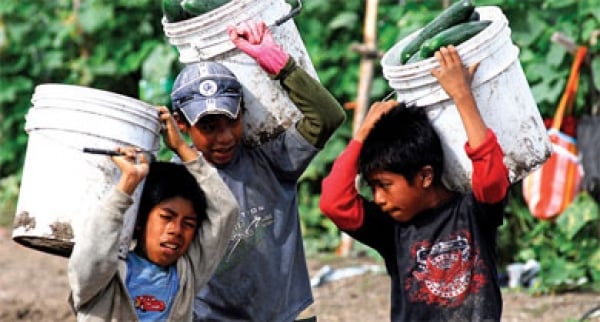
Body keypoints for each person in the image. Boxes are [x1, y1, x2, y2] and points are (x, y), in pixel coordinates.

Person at [168, 20, 345, 322]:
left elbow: (327, 117)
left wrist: (277, 63)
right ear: (181, 125)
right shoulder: (176, 180)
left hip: (279, 314)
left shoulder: (271, 160)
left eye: (231, 121)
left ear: (244, 113)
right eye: (209, 127)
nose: (224, 138)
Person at [319, 45, 511, 321]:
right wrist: (362, 134)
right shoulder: (391, 229)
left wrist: (462, 95)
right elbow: (333, 203)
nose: (379, 199)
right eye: (372, 188)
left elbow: (491, 174)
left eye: (384, 185)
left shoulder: (473, 214)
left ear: (425, 177)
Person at [67, 106, 239, 321]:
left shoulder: (188, 274)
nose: (176, 230)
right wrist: (126, 186)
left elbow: (225, 210)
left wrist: (181, 147)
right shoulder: (106, 277)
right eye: (166, 217)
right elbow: (92, 256)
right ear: (140, 221)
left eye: (188, 223)